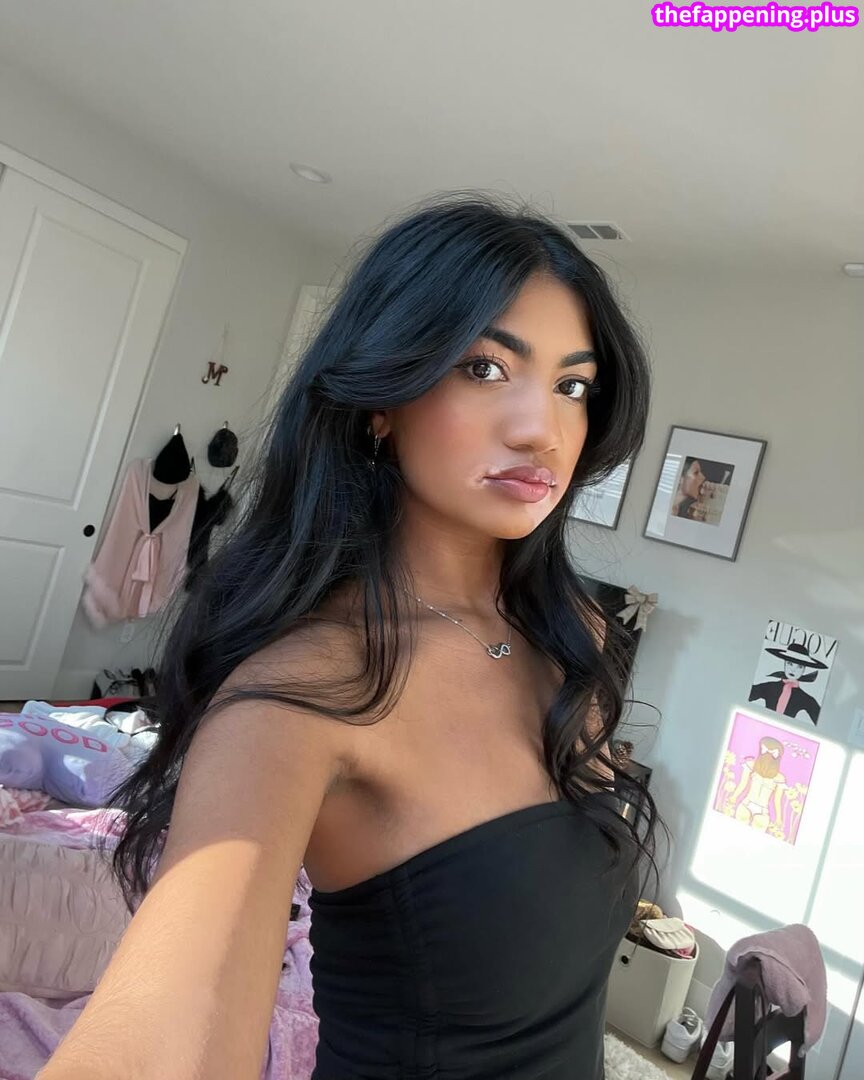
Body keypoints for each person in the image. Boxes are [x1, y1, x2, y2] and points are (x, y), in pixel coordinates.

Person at [38, 192, 658, 1080]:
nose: (542, 429)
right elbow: (165, 1038)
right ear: (381, 402)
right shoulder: (302, 696)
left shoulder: (575, 636)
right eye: (485, 368)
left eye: (573, 386)